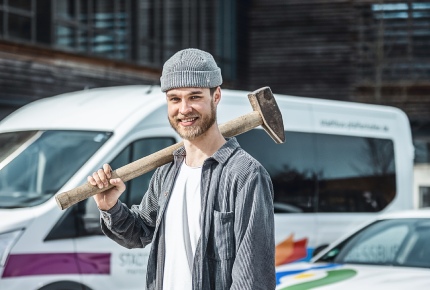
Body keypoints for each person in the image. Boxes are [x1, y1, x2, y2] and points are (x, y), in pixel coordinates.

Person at [88, 48, 276, 290]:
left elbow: (253, 279)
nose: (184, 109)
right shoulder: (167, 173)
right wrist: (111, 207)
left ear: (216, 96)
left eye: (195, 97)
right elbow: (139, 233)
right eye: (174, 99)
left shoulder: (245, 175)